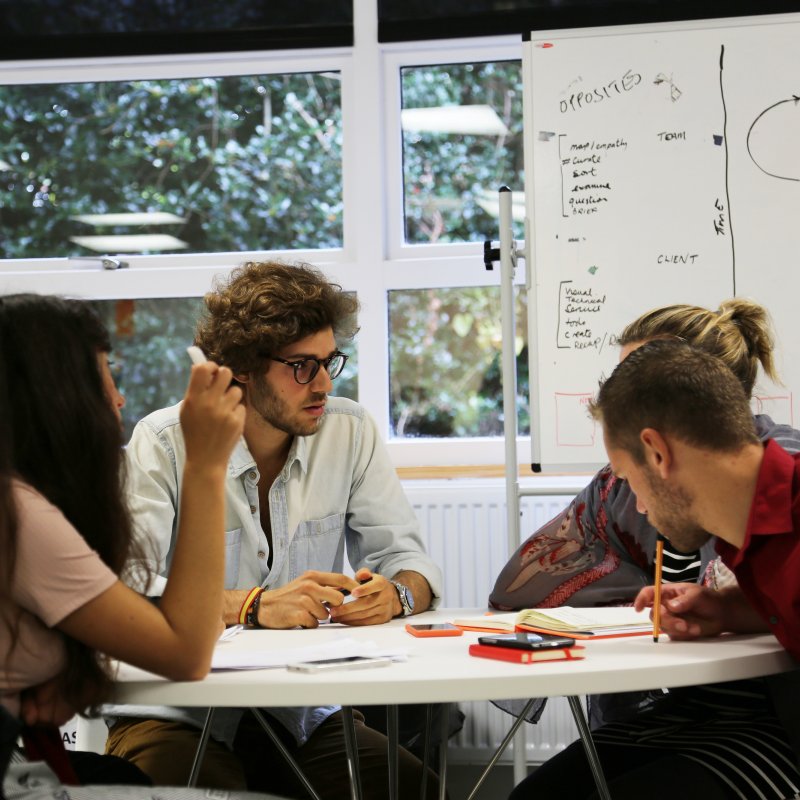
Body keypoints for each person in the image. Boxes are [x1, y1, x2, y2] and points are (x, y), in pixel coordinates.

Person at [104, 261, 446, 800]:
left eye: (330, 361)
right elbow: (127, 596)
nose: (326, 384)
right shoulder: (164, 441)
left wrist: (396, 594)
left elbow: (410, 561)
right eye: (302, 367)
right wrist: (253, 605)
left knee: (414, 789)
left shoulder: (349, 431)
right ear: (241, 367)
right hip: (177, 708)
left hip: (299, 710)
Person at [0, 293, 277, 800]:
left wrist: (62, 670)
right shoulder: (18, 514)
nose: (118, 399)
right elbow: (186, 653)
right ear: (58, 393)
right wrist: (206, 465)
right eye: (107, 376)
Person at [509, 339, 800, 800]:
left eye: (627, 479)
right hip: (715, 720)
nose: (637, 506)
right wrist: (728, 610)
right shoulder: (740, 530)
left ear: (657, 453)